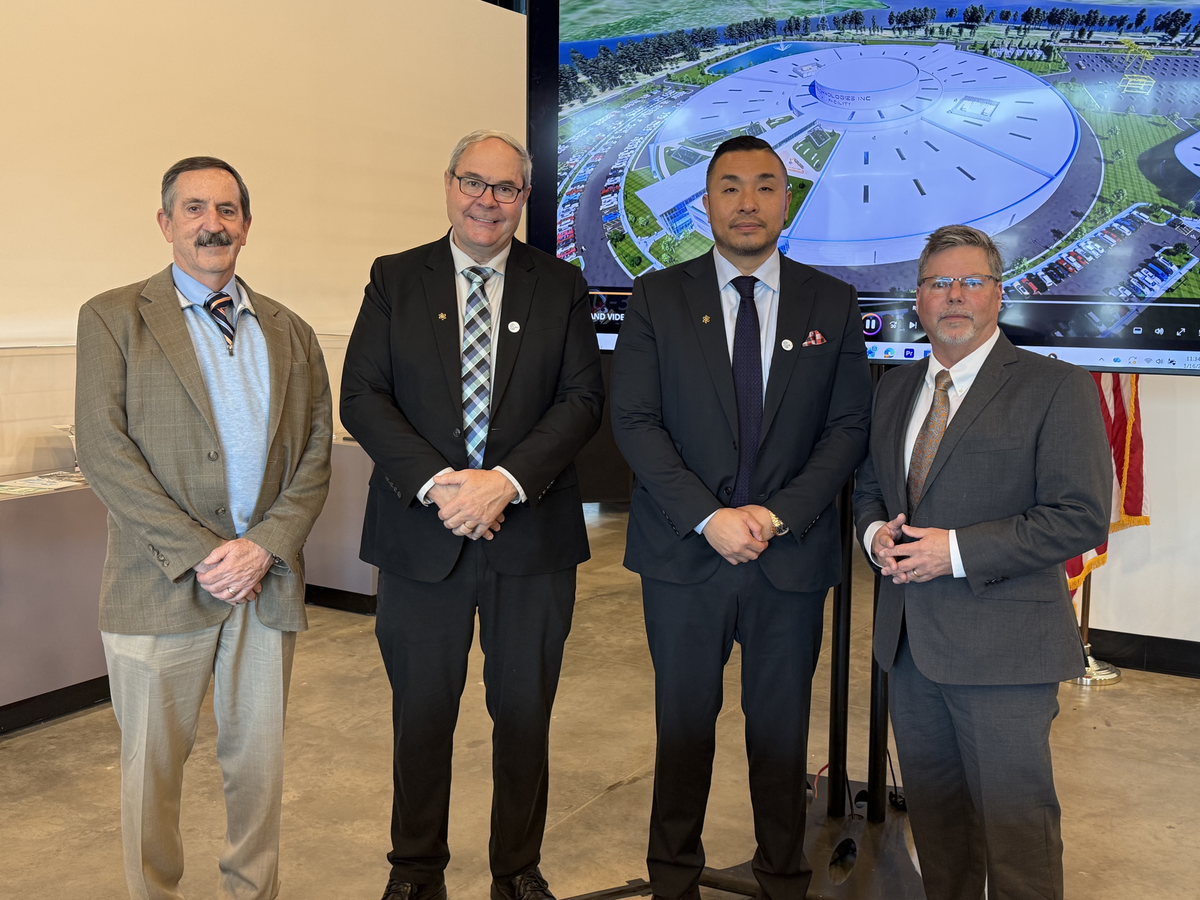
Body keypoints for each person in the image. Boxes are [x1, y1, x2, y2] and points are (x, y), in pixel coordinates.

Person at [339, 129, 604, 900]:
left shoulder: (561, 285)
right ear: (449, 184)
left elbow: (582, 400)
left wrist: (505, 483)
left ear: (525, 198)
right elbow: (363, 395)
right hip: (422, 536)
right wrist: (443, 486)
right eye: (474, 183)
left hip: (532, 538)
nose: (488, 201)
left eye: (506, 188)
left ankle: (517, 870)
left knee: (523, 716)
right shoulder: (394, 278)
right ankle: (415, 870)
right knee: (421, 714)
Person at [609, 135, 873, 900]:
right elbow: (635, 421)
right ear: (706, 203)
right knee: (683, 728)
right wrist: (708, 518)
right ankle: (673, 879)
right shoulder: (658, 297)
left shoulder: (832, 302)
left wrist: (775, 515)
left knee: (780, 736)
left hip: (789, 559)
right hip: (683, 557)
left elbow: (848, 427)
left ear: (786, 201)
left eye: (764, 186)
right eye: (730, 187)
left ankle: (783, 878)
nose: (747, 202)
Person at [75, 156, 333, 900]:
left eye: (226, 210)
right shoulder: (113, 317)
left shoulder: (291, 330)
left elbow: (316, 451)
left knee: (259, 768)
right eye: (193, 209)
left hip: (263, 585)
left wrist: (264, 548)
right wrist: (203, 554)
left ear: (246, 226)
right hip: (158, 585)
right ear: (166, 223)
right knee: (150, 772)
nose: (211, 224)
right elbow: (104, 450)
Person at [853, 224, 1112, 900]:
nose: (955, 295)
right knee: (941, 836)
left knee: (1018, 840)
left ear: (999, 294)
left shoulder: (1055, 387)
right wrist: (875, 533)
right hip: (909, 651)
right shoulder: (892, 389)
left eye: (972, 281)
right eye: (939, 283)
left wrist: (957, 551)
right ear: (918, 298)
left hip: (1006, 655)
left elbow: (1080, 515)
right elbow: (871, 487)